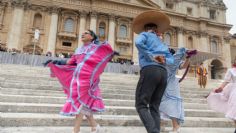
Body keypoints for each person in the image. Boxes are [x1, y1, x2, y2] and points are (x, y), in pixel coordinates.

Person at [44, 30, 115, 133]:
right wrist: (56, 61)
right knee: (82, 103)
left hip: (89, 80)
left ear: (92, 37)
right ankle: (95, 126)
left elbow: (100, 62)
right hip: (76, 79)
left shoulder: (96, 48)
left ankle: (76, 130)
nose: (83, 34)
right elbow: (70, 62)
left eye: (86, 33)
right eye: (82, 33)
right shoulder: (78, 49)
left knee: (80, 102)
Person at [133, 10, 174, 133]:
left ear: (146, 29)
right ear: (157, 30)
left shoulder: (145, 35)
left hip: (150, 70)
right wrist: (163, 59)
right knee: (154, 107)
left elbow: (138, 42)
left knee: (141, 105)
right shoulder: (162, 43)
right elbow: (171, 60)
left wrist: (151, 56)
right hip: (163, 73)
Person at [159, 48, 197, 133]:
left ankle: (175, 127)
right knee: (161, 104)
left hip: (170, 85)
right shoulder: (164, 60)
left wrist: (188, 58)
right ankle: (162, 126)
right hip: (163, 84)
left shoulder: (170, 60)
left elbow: (183, 66)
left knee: (171, 105)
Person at [207, 58, 236, 133]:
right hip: (234, 92)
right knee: (234, 112)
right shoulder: (231, 70)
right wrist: (220, 88)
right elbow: (226, 81)